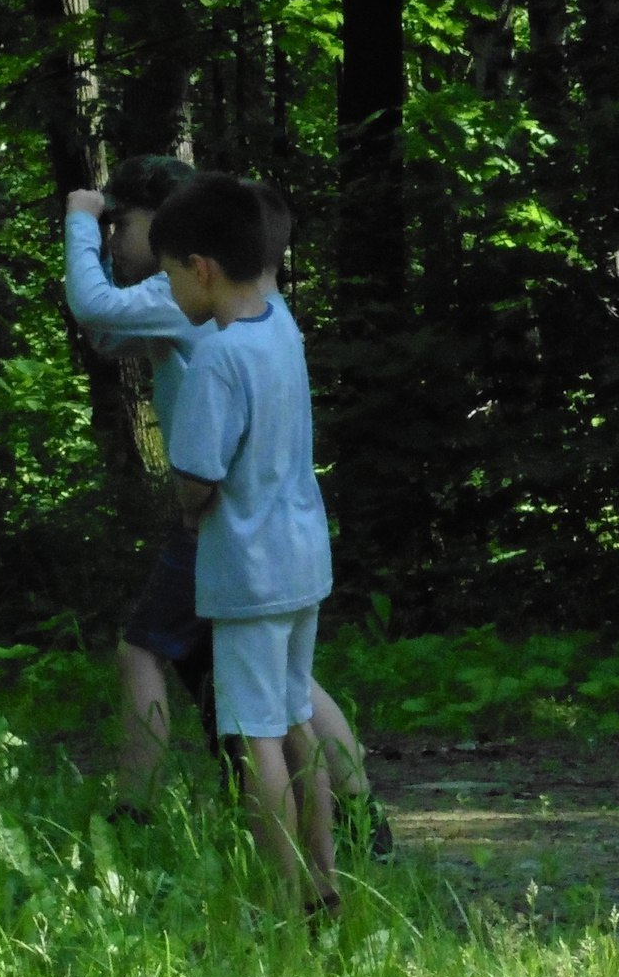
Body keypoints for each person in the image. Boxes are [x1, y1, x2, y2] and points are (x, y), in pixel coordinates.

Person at [63, 163, 391, 854]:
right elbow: (109, 335)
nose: (120, 240)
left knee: (217, 699)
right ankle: (344, 842)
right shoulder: (270, 316)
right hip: (291, 534)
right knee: (288, 694)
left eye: (125, 225)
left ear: (193, 258)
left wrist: (80, 222)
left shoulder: (190, 305)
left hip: (234, 531)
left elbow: (95, 311)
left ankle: (154, 821)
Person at [147, 171, 341, 920]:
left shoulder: (219, 358)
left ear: (200, 269)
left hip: (249, 569)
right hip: (302, 557)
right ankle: (324, 881)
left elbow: (197, 475)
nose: (168, 290)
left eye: (169, 274)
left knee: (253, 732)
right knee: (294, 717)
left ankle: (285, 894)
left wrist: (189, 508)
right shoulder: (282, 325)